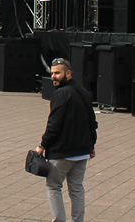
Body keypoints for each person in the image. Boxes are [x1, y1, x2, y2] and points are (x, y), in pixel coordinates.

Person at [36, 58, 97, 222]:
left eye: (58, 73)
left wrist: (42, 145)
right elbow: (92, 122)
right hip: (82, 152)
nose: (54, 76)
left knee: (53, 186)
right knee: (77, 188)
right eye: (52, 73)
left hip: (62, 153)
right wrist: (91, 145)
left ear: (68, 73)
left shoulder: (61, 94)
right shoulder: (83, 92)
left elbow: (54, 125)